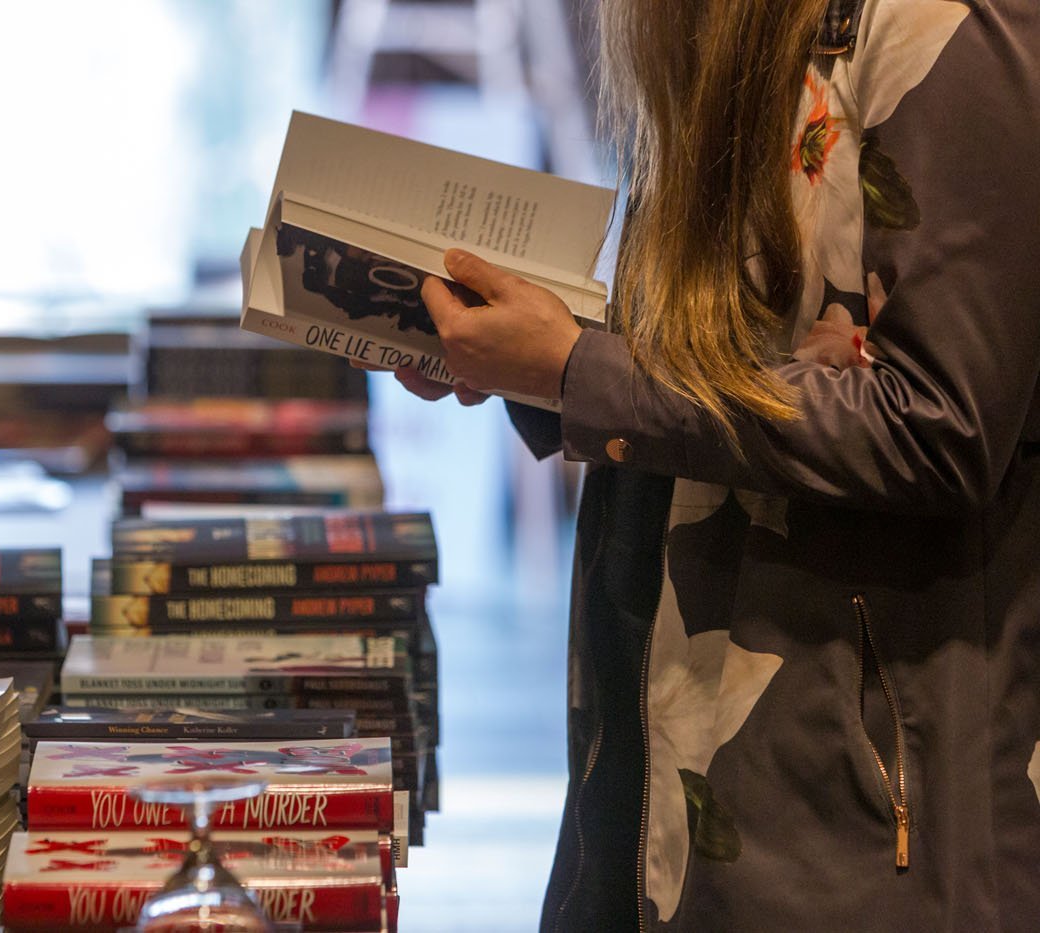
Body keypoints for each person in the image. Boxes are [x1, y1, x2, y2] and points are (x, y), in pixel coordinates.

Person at [389, 0, 1040, 929]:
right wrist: (533, 366)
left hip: (844, 816)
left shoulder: (953, 27)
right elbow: (711, 363)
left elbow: (940, 424)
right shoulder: (732, 31)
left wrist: (584, 370)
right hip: (656, 754)